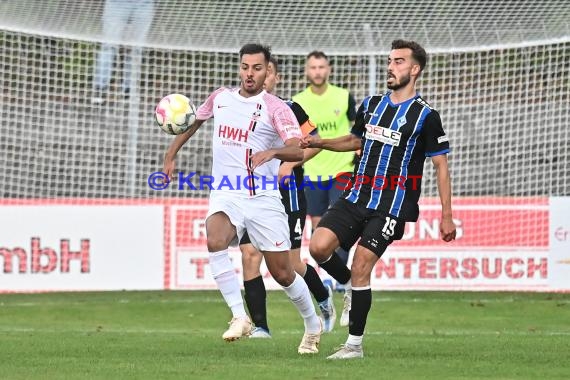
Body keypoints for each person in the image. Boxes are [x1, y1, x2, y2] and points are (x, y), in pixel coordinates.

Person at [300, 39, 457, 359]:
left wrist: (446, 215)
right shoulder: (372, 104)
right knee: (318, 246)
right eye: (389, 60)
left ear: (415, 69)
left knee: (361, 264)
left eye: (398, 61)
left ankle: (354, 345)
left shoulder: (426, 116)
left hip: (392, 205)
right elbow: (354, 140)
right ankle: (346, 291)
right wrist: (322, 142)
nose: (390, 66)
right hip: (356, 195)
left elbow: (440, 166)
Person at [162, 44, 322, 355]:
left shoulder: (277, 108)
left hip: (263, 198)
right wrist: (170, 154)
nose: (250, 74)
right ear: (240, 68)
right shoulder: (220, 98)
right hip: (226, 190)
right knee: (215, 237)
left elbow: (297, 148)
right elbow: (193, 123)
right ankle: (239, 316)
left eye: (257, 68)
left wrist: (273, 152)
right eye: (245, 67)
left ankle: (312, 324)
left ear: (267, 72)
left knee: (283, 272)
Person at [239, 57, 336, 339]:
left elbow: (315, 141)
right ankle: (261, 327)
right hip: (252, 194)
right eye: (256, 71)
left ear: (276, 78)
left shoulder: (290, 108)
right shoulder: (240, 108)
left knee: (292, 263)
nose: (261, 77)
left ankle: (323, 298)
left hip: (287, 194)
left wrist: (289, 164)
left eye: (266, 72)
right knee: (249, 254)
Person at [292, 51, 357, 293]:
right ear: (307, 71)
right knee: (319, 228)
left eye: (321, 67)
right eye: (313, 67)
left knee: (338, 225)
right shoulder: (298, 101)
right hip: (312, 172)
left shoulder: (343, 97)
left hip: (342, 169)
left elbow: (356, 129)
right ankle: (331, 277)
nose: (317, 71)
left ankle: (339, 279)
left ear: (328, 69)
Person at [91, 0, 155, 104]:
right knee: (109, 46)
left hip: (144, 4)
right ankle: (100, 89)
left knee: (136, 49)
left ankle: (129, 90)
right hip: (116, 4)